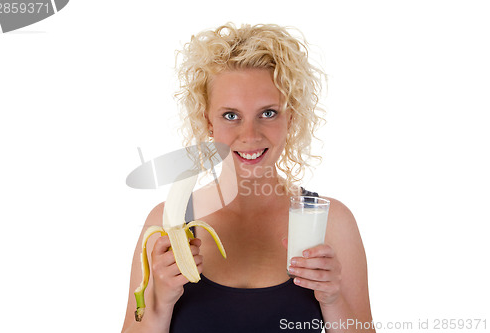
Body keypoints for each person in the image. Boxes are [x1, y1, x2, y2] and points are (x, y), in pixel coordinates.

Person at [122, 23, 374, 333]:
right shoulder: (165, 222)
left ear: (290, 118)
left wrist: (333, 300)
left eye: (268, 113)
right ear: (208, 122)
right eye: (231, 116)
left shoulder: (331, 221)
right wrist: (159, 304)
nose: (250, 135)